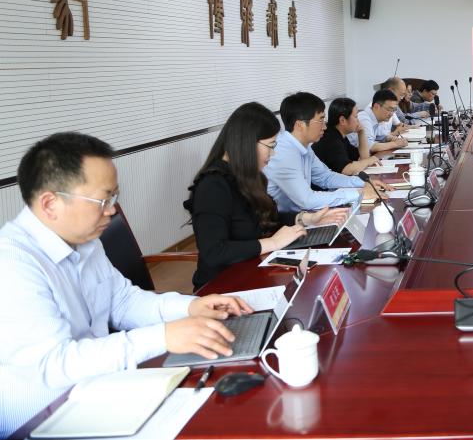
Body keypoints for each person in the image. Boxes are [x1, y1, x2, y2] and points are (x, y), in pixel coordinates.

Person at [0, 133, 252, 436]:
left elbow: (122, 301)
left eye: (114, 198)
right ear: (50, 204)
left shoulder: (85, 241)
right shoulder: (12, 262)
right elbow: (56, 364)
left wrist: (191, 306)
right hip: (44, 417)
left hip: (99, 388)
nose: (112, 210)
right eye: (103, 200)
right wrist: (162, 337)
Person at [186, 102, 349, 289]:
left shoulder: (250, 177)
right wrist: (271, 243)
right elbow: (214, 252)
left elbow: (266, 221)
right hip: (223, 285)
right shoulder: (213, 186)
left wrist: (306, 219)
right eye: (270, 146)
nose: (273, 154)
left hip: (254, 269)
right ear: (247, 143)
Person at [264, 92, 369, 213]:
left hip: (301, 215)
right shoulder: (283, 153)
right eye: (321, 120)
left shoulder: (303, 146)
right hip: (281, 221)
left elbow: (325, 177)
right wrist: (358, 193)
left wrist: (363, 183)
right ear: (300, 125)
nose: (325, 127)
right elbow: (307, 200)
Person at [313, 97, 382, 176]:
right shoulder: (330, 139)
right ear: (342, 120)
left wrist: (361, 132)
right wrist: (368, 161)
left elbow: (363, 158)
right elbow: (346, 169)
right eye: (355, 117)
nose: (358, 121)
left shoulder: (340, 135)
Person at [357, 89, 409, 155]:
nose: (392, 114)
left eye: (393, 110)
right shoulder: (364, 118)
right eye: (389, 109)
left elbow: (377, 137)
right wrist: (395, 144)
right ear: (376, 106)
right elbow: (369, 146)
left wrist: (389, 138)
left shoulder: (376, 118)